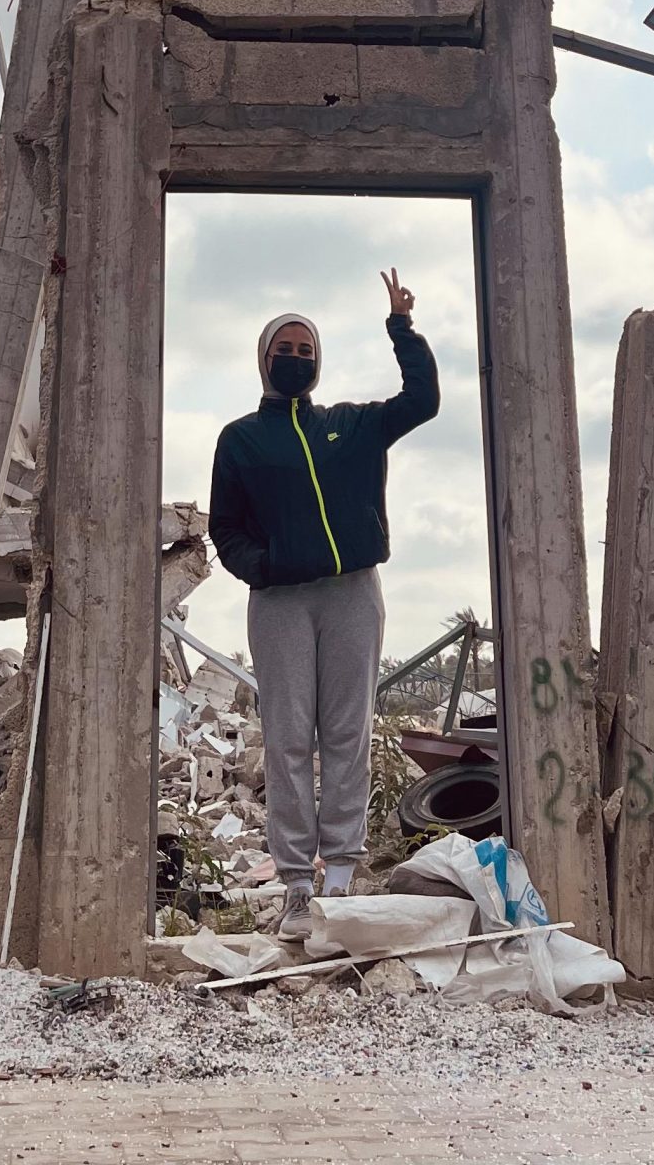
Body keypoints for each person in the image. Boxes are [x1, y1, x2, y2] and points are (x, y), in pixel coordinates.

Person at [208, 267, 439, 939]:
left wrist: (402, 329)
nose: (297, 359)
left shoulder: (353, 426)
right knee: (286, 741)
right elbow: (226, 529)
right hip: (279, 602)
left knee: (346, 734)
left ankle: (340, 874)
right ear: (264, 361)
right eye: (287, 349)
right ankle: (297, 888)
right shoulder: (242, 439)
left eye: (307, 351)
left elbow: (421, 401)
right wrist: (267, 566)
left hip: (352, 597)